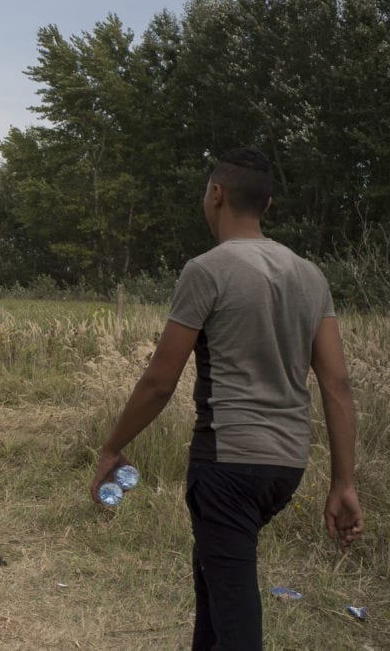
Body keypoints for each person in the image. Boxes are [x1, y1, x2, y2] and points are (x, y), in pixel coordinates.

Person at [90, 148, 364, 650]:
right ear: (268, 204)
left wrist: (112, 447)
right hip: (286, 466)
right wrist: (344, 481)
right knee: (213, 584)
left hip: (228, 462)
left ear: (216, 194)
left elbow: (159, 381)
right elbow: (337, 384)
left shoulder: (208, 270)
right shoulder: (310, 275)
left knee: (235, 614)